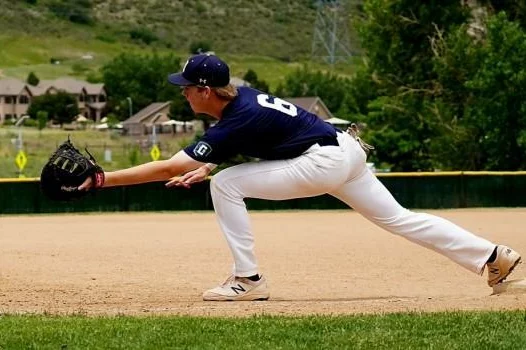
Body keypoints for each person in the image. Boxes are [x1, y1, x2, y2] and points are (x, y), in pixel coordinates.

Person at [80, 53, 522, 301]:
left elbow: (170, 167)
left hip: (324, 160)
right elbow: (262, 135)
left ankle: (247, 281)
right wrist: (211, 161)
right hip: (343, 151)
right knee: (401, 218)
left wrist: (101, 180)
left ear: (205, 91)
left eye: (186, 87)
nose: (182, 92)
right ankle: (492, 256)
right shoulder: (243, 101)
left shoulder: (235, 117)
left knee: (226, 185)